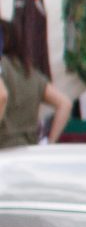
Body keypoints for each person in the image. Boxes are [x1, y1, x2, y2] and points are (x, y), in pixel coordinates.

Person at [0, 17, 71, 147]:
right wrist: (51, 142)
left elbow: (2, 95)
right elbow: (65, 103)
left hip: (4, 150)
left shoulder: (3, 68)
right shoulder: (31, 73)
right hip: (29, 151)